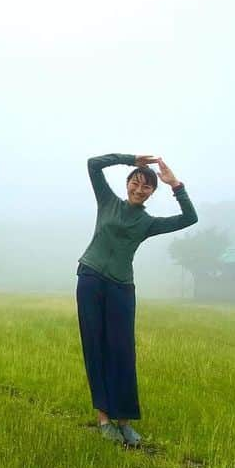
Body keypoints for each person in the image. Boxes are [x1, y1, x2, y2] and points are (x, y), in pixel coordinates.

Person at [76, 153, 197, 446]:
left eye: (146, 187)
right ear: (128, 182)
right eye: (135, 182)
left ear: (151, 193)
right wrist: (131, 159)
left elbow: (189, 218)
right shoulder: (107, 201)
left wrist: (175, 184)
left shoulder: (147, 223)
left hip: (121, 287)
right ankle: (104, 419)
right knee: (96, 347)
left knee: (123, 352)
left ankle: (124, 422)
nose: (138, 189)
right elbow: (93, 164)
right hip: (90, 278)